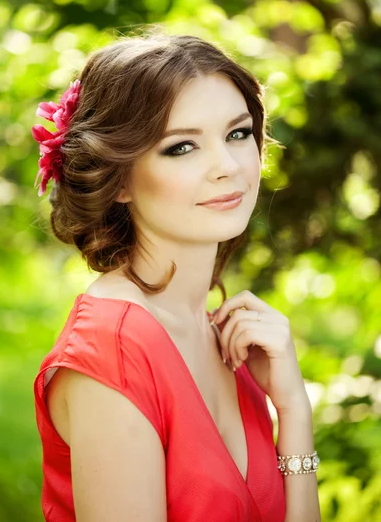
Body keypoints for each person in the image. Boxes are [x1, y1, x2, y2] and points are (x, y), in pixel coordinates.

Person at [32, 32, 321, 521]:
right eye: (182, 147)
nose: (228, 167)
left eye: (237, 133)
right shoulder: (114, 351)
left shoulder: (220, 335)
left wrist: (293, 410)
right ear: (118, 177)